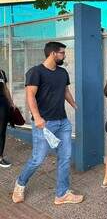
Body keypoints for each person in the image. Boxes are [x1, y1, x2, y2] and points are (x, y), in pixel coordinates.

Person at [12, 42, 83, 205]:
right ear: (52, 54)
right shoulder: (35, 72)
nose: (64, 55)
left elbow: (65, 91)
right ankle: (20, 183)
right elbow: (30, 96)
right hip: (44, 124)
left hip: (63, 122)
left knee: (65, 157)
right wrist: (37, 117)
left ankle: (62, 194)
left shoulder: (63, 73)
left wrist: (74, 104)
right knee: (38, 158)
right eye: (62, 53)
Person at [0, 69, 15, 167]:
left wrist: (11, 102)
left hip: (2, 104)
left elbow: (5, 88)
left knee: (1, 131)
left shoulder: (1, 72)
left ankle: (0, 157)